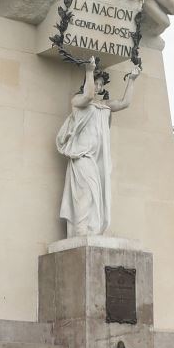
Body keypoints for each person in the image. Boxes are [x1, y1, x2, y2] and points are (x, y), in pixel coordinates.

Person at [55, 58, 141, 238]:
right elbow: (87, 96)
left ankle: (89, 232)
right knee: (85, 194)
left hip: (95, 161)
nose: (99, 87)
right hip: (82, 157)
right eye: (96, 82)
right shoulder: (79, 101)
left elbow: (125, 103)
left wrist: (131, 80)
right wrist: (89, 70)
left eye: (101, 84)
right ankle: (80, 233)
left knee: (96, 197)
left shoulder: (104, 105)